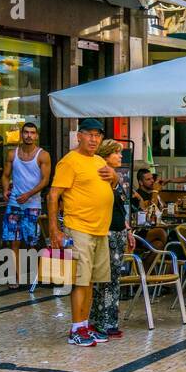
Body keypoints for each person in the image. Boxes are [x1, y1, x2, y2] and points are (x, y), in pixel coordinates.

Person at [47, 118, 117, 347]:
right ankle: (76, 328)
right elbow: (53, 195)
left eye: (98, 135)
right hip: (79, 228)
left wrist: (114, 177)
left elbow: (111, 184)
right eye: (90, 134)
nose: (94, 139)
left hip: (100, 229)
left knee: (92, 281)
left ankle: (85, 324)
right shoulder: (69, 161)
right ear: (79, 136)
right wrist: (54, 229)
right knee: (80, 281)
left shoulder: (98, 160)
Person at [90, 140, 133, 339]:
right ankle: (103, 322)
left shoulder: (116, 175)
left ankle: (109, 320)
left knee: (113, 278)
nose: (121, 157)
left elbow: (120, 207)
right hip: (106, 231)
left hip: (118, 230)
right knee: (105, 278)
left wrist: (127, 229)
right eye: (117, 153)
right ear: (107, 155)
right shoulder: (103, 174)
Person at [1, 122, 50, 289]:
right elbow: (5, 175)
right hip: (14, 203)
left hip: (32, 204)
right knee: (13, 241)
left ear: (36, 136)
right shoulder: (12, 154)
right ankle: (15, 278)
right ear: (22, 134)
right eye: (26, 132)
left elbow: (45, 180)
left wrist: (29, 194)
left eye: (32, 133)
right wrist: (5, 189)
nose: (29, 135)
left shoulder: (43, 155)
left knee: (32, 241)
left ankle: (37, 276)